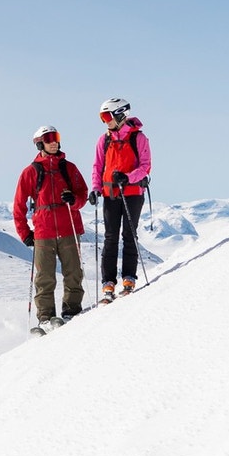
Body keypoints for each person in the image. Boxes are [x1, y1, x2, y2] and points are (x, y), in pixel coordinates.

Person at [13, 125, 88, 333]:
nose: (54, 142)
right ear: (40, 143)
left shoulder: (69, 168)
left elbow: (83, 194)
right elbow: (18, 206)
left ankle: (71, 311)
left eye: (56, 137)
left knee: (73, 272)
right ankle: (45, 317)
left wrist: (73, 200)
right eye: (48, 138)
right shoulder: (30, 172)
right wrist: (25, 233)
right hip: (43, 232)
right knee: (45, 277)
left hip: (69, 229)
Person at [89, 97, 152, 303]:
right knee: (110, 237)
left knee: (129, 235)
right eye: (102, 117)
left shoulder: (139, 139)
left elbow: (145, 166)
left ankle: (129, 278)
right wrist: (96, 188)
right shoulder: (104, 140)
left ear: (120, 114)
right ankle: (108, 283)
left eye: (107, 116)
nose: (105, 121)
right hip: (110, 195)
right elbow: (97, 166)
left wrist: (128, 177)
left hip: (132, 194)